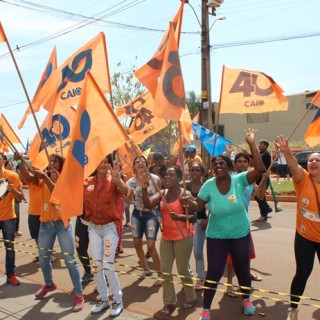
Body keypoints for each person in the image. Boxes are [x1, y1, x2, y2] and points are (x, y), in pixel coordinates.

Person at [181, 129, 264, 319]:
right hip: (216, 234)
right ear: (212, 169)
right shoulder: (208, 185)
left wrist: (251, 143)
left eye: (222, 163)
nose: (218, 165)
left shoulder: (239, 179)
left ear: (229, 167)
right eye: (215, 164)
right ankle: (206, 309)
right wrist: (189, 203)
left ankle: (246, 300)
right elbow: (198, 206)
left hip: (239, 232)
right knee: (215, 272)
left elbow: (259, 170)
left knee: (243, 269)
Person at [30, 154, 84, 312]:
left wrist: (46, 178)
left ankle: (78, 294)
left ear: (61, 165)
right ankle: (49, 284)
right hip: (46, 224)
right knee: (43, 257)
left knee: (69, 259)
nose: (52, 163)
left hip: (62, 224)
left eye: (55, 161)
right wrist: (20, 160)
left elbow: (58, 194)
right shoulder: (43, 177)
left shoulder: (65, 179)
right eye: (50, 161)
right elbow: (27, 177)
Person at [275, 136, 320, 320]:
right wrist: (287, 153)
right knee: (302, 272)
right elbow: (294, 167)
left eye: (318, 160)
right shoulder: (303, 179)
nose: (314, 162)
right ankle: (293, 309)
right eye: (311, 160)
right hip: (304, 237)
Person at [142, 166, 197, 316]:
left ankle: (191, 296)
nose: (167, 177)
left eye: (171, 175)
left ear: (179, 179)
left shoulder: (186, 194)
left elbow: (194, 218)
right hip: (166, 237)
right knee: (165, 270)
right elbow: (148, 204)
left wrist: (179, 217)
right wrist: (144, 189)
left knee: (182, 269)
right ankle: (169, 302)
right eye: (166, 175)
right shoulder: (163, 193)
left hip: (183, 237)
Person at [84, 155, 128, 317]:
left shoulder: (115, 181)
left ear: (110, 165)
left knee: (107, 265)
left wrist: (119, 181)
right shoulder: (87, 182)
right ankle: (103, 299)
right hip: (94, 228)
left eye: (105, 162)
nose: (102, 165)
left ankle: (117, 301)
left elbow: (128, 195)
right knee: (96, 266)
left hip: (110, 229)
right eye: (99, 161)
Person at [225, 152, 266, 297]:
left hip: (244, 222)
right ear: (235, 164)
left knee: (247, 252)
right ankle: (229, 285)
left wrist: (265, 181)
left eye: (245, 162)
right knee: (231, 256)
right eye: (239, 161)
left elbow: (260, 196)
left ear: (249, 164)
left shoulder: (251, 181)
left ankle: (247, 272)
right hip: (230, 224)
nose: (242, 164)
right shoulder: (229, 179)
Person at [126, 156, 162, 286]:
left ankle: (160, 274)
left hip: (151, 215)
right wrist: (120, 191)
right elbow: (129, 199)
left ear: (147, 164)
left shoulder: (155, 179)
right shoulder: (131, 181)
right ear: (134, 166)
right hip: (137, 214)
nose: (140, 163)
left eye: (142, 161)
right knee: (136, 243)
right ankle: (146, 269)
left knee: (151, 246)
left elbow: (161, 196)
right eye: (137, 162)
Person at [0, 151, 24, 286]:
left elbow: (20, 197)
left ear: (4, 160)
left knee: (10, 247)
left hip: (8, 217)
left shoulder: (12, 176)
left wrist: (11, 190)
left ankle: (11, 275)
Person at [186, 162, 207, 291]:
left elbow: (213, 204)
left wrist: (207, 219)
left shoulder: (207, 186)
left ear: (202, 172)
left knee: (198, 252)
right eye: (192, 170)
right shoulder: (185, 186)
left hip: (201, 222)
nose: (194, 173)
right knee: (185, 251)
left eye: (197, 170)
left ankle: (201, 277)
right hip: (186, 222)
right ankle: (188, 274)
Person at [255, 139, 273, 222]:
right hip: (258, 178)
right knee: (259, 195)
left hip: (263, 178)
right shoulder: (260, 153)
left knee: (259, 196)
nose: (259, 145)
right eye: (259, 143)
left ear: (265, 146)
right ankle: (267, 208)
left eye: (261, 144)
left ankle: (264, 214)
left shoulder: (266, 154)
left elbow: (258, 159)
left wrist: (249, 154)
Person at [4, 160, 23, 237]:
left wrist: (22, 197)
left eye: (11, 165)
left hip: (13, 199)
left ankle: (15, 230)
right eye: (9, 165)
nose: (10, 166)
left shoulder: (14, 175)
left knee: (16, 214)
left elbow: (20, 188)